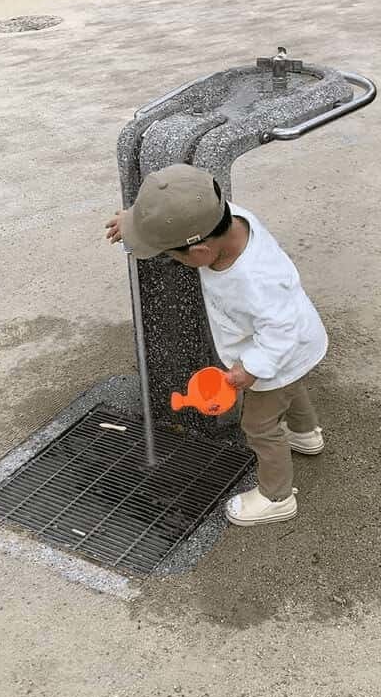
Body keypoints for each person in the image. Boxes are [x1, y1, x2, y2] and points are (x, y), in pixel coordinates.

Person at [106, 164, 327, 528]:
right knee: (290, 387)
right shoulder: (227, 216)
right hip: (295, 348)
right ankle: (306, 435)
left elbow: (280, 330)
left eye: (171, 255)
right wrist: (136, 224)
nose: (172, 260)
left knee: (259, 424)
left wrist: (251, 368)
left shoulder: (255, 280)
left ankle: (276, 497)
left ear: (201, 253)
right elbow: (182, 208)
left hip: (278, 347)